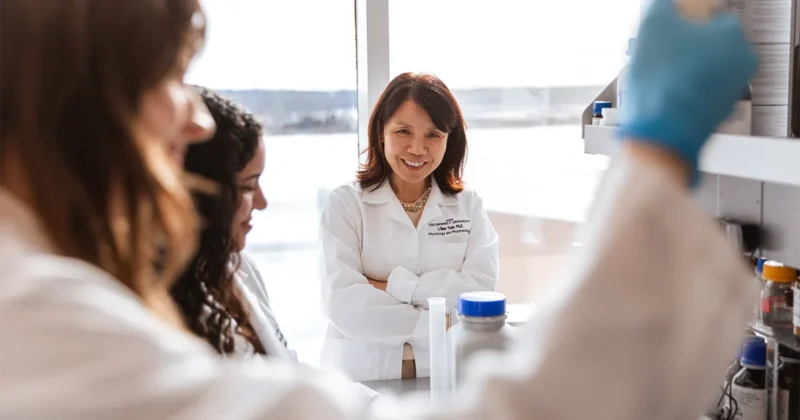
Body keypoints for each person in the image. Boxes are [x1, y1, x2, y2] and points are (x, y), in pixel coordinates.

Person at [0, 1, 761, 419]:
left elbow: (476, 299)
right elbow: (356, 310)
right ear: (69, 99)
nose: (198, 123)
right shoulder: (30, 317)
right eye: (167, 79)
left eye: (433, 134)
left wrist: (397, 294)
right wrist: (657, 152)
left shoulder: (46, 286)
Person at [319, 72, 500, 381]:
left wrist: (392, 285)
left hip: (446, 375)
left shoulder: (469, 206)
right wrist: (438, 322)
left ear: (449, 139)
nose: (418, 149)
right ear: (381, 134)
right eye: (404, 131)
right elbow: (344, 304)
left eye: (433, 135)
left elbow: (479, 291)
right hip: (362, 378)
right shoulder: (346, 204)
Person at [172, 86, 297, 361]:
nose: (262, 203)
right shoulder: (166, 311)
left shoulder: (241, 269)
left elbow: (288, 366)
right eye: (248, 187)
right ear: (204, 193)